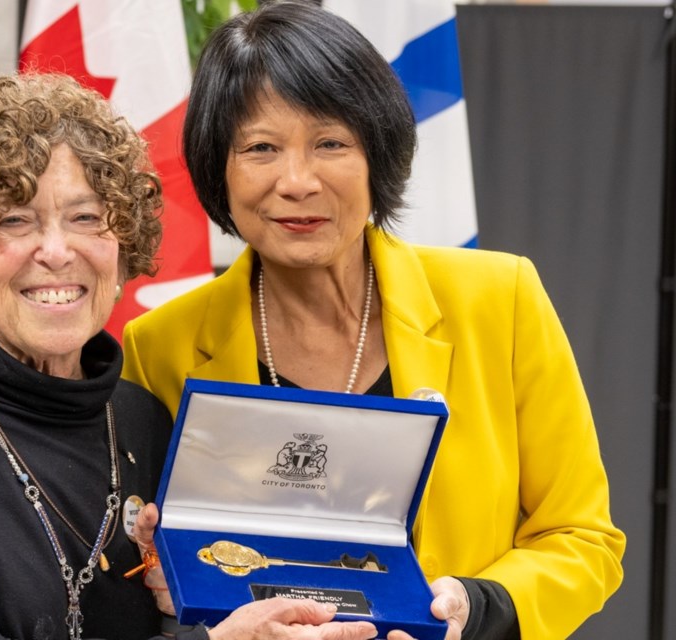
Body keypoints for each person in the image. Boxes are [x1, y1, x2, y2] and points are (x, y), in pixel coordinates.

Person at [122, 2, 626, 639]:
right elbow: (157, 562)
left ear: (378, 153)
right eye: (260, 148)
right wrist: (162, 573)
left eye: (330, 143)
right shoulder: (158, 346)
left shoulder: (501, 299)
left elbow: (582, 537)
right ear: (216, 169)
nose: (296, 181)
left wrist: (481, 606)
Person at [0, 72, 381, 640]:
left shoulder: (144, 417)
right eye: (14, 220)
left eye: (86, 218)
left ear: (121, 247)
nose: (58, 252)